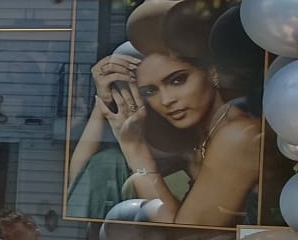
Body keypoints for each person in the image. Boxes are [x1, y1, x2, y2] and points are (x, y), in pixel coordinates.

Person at [67, 45, 262, 228]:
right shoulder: (198, 131)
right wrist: (104, 102)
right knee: (110, 161)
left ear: (212, 73)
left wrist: (135, 150)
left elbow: (181, 233)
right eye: (150, 91)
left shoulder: (237, 135)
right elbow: (82, 179)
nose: (167, 100)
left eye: (178, 80)